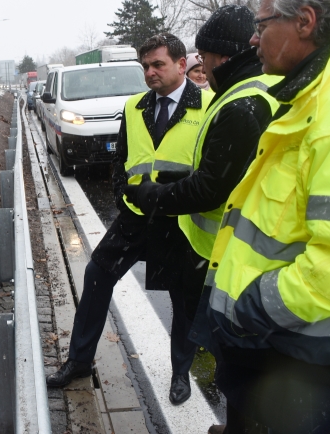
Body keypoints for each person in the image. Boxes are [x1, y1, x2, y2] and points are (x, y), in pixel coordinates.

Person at [189, 0, 330, 434]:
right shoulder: (306, 98)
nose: (253, 40)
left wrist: (252, 306)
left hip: (303, 356)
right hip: (283, 349)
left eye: (261, 25)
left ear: (305, 22)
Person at [46, 34, 214, 406]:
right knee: (97, 274)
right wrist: (124, 193)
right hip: (137, 215)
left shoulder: (208, 104)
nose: (150, 73)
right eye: (145, 67)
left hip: (181, 219)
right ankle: (79, 361)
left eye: (158, 65)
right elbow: (121, 162)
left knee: (183, 298)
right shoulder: (135, 106)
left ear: (181, 64)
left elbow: (211, 170)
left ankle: (180, 373)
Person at [124, 4, 280, 267]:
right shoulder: (258, 88)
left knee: (193, 307)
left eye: (204, 56)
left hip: (229, 250)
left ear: (223, 57)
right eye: (146, 66)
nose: (203, 68)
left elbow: (210, 188)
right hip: (233, 245)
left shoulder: (240, 105)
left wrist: (152, 196)